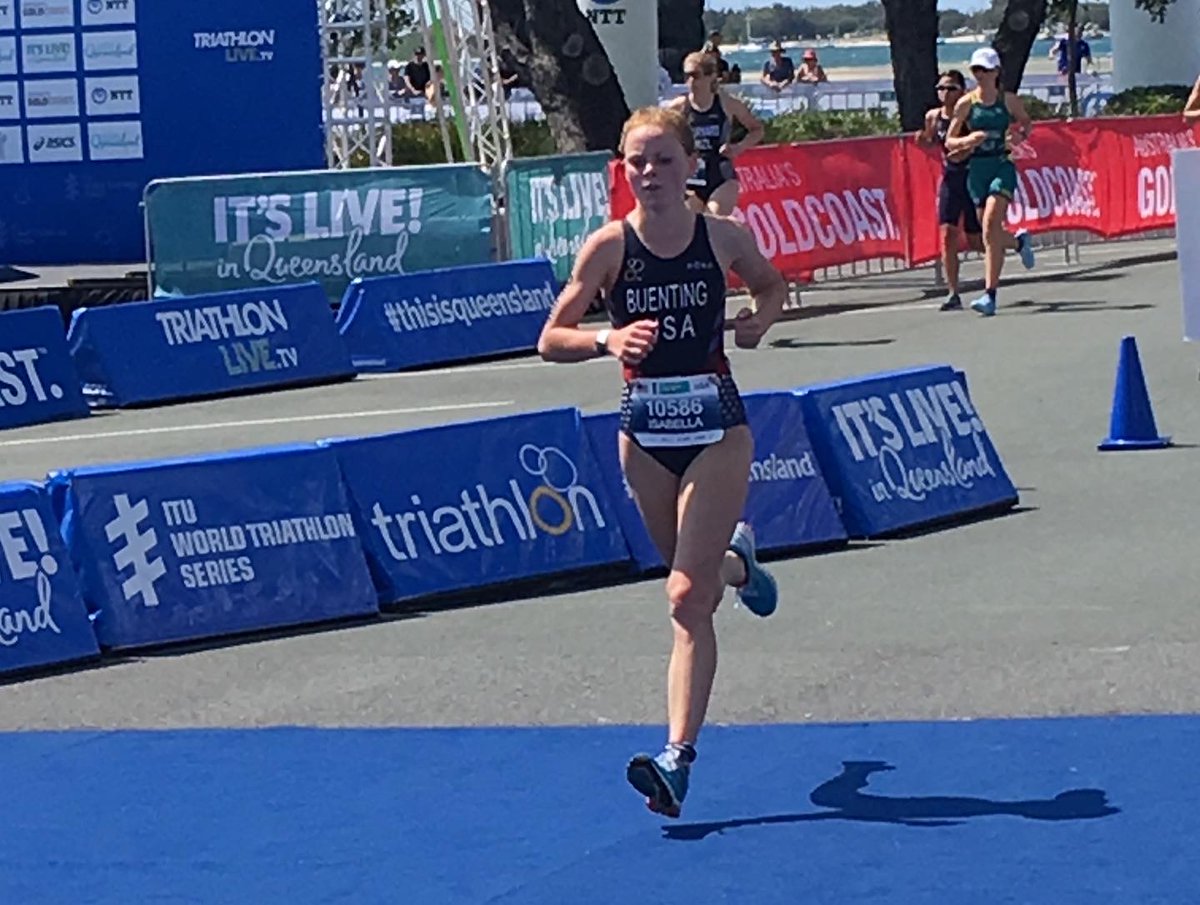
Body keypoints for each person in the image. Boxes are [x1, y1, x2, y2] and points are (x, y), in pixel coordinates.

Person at [536, 106, 785, 819]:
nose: (650, 175)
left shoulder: (722, 236)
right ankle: (740, 562)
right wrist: (604, 343)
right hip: (644, 433)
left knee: (682, 597)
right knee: (699, 585)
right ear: (623, 170)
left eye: (664, 161)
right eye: (636, 163)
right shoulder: (609, 248)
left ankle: (676, 758)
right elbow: (551, 336)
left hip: (716, 429)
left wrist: (759, 320)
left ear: (688, 167)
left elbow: (771, 285)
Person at [946, 47, 1037, 316]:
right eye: (976, 70)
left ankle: (990, 295)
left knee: (989, 226)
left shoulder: (1007, 100)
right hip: (976, 169)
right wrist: (968, 140)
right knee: (991, 235)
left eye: (985, 70)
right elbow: (950, 140)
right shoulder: (966, 103)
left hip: (1001, 164)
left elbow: (1026, 123)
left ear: (996, 72)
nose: (980, 75)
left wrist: (1020, 137)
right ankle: (1020, 243)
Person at [916, 69, 984, 311]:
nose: (944, 93)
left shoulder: (969, 114)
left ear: (962, 91)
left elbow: (982, 141)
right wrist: (922, 140)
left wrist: (965, 150)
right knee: (947, 235)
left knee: (978, 241)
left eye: (950, 88)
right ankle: (953, 292)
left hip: (973, 177)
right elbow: (931, 141)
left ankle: (1013, 244)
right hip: (951, 179)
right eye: (940, 88)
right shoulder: (933, 116)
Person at [667, 51, 764, 216]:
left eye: (695, 75)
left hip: (720, 173)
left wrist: (738, 147)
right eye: (686, 76)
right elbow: (658, 134)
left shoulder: (726, 103)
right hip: (691, 175)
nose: (690, 82)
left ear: (710, 76)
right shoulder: (679, 107)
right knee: (694, 226)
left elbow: (757, 130)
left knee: (714, 220)